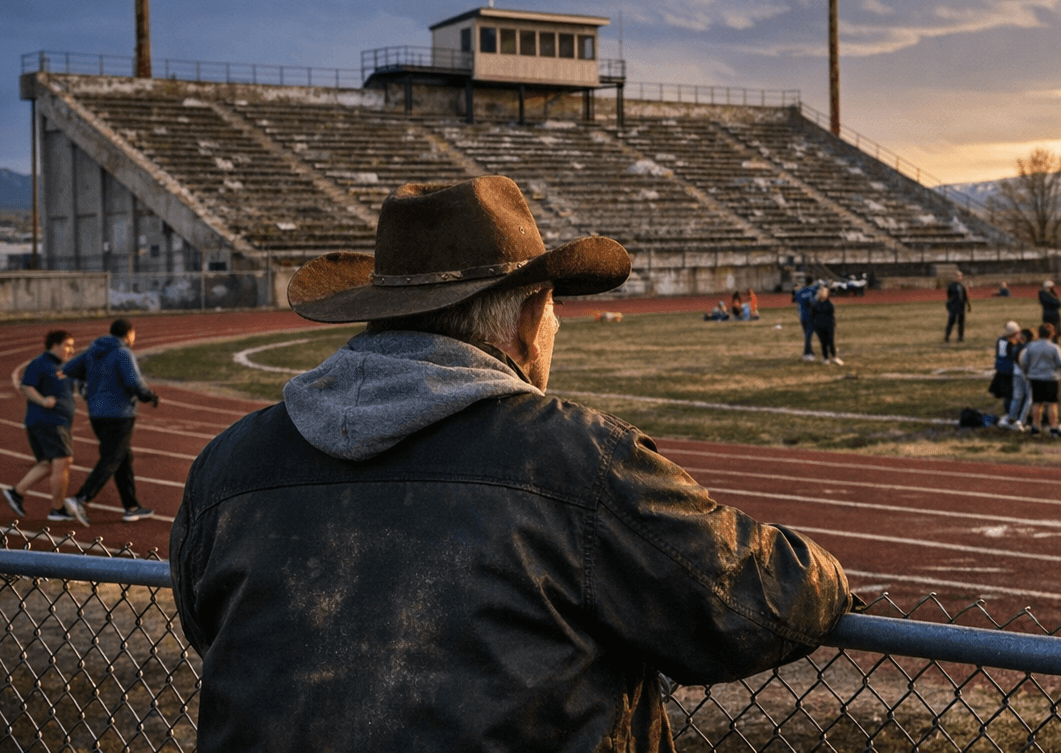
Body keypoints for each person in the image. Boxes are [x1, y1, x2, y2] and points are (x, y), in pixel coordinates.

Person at [170, 177, 854, 751]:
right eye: (553, 309)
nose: (555, 326)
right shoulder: (579, 461)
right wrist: (826, 571)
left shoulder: (225, 465)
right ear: (529, 320)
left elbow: (209, 628)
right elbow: (757, 601)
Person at [64, 318, 158, 523]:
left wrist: (88, 382)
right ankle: (81, 498)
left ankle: (131, 507)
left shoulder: (93, 351)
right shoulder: (123, 353)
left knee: (123, 457)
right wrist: (148, 395)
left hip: (96, 413)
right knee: (112, 457)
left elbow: (70, 368)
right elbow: (133, 381)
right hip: (119, 413)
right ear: (128, 334)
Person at [3, 329, 85, 524]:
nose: (71, 349)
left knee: (47, 464)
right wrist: (43, 400)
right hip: (48, 421)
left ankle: (16, 493)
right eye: (67, 345)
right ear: (54, 345)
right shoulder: (40, 363)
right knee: (63, 460)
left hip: (55, 422)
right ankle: (57, 509)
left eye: (72, 346)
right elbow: (26, 386)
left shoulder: (64, 366)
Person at [1019, 323, 1061, 436]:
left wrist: (1029, 371)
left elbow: (1024, 361)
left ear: (1039, 333)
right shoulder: (1054, 348)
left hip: (1035, 378)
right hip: (1051, 378)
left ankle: (1035, 427)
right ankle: (1053, 427)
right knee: (1052, 404)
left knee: (1037, 403)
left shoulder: (1031, 346)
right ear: (1052, 334)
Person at [989, 320, 1019, 423]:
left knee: (1008, 395)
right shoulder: (1007, 342)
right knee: (1009, 395)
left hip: (1003, 371)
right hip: (1008, 372)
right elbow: (1008, 357)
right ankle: (1010, 415)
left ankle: (1009, 414)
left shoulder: (1001, 340)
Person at [811, 285, 841, 365]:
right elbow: (813, 316)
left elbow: (832, 316)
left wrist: (833, 325)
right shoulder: (815, 304)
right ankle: (825, 357)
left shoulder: (830, 304)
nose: (823, 293)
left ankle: (834, 356)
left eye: (825, 292)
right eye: (821, 292)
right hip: (819, 327)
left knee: (830, 342)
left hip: (829, 326)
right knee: (823, 343)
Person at [794, 276, 819, 359]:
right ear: (812, 282)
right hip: (810, 316)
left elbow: (797, 301)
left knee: (807, 335)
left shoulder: (800, 292)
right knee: (809, 336)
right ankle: (807, 354)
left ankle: (810, 351)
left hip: (802, 316)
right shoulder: (813, 290)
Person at [944, 271, 970, 342]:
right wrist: (950, 305)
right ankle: (947, 336)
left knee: (961, 321)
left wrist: (968, 305)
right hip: (954, 306)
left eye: (961, 276)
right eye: (959, 276)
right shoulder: (952, 285)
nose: (961, 277)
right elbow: (949, 295)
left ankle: (960, 337)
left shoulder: (962, 286)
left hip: (961, 306)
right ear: (956, 277)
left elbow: (964, 297)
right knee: (951, 320)